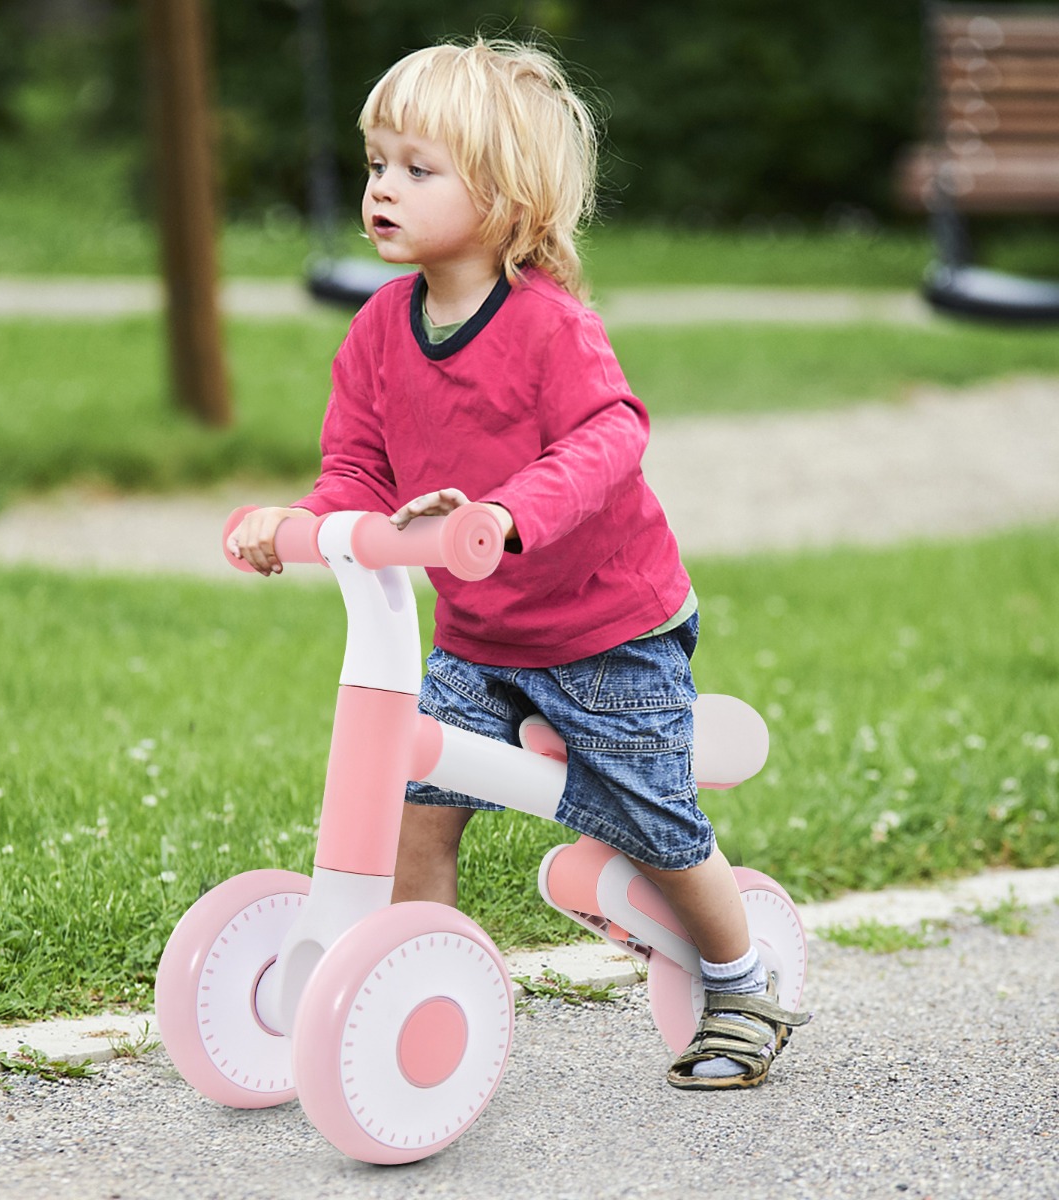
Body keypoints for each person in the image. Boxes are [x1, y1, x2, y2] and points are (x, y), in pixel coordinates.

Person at [228, 36, 808, 1090]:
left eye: (418, 168)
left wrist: (505, 511)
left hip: (606, 627)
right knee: (415, 801)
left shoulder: (549, 328)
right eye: (376, 164)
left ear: (501, 199)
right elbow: (356, 466)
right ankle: (402, 990)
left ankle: (741, 979)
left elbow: (609, 437)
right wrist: (302, 520)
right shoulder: (376, 332)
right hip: (483, 635)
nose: (383, 189)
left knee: (650, 817)